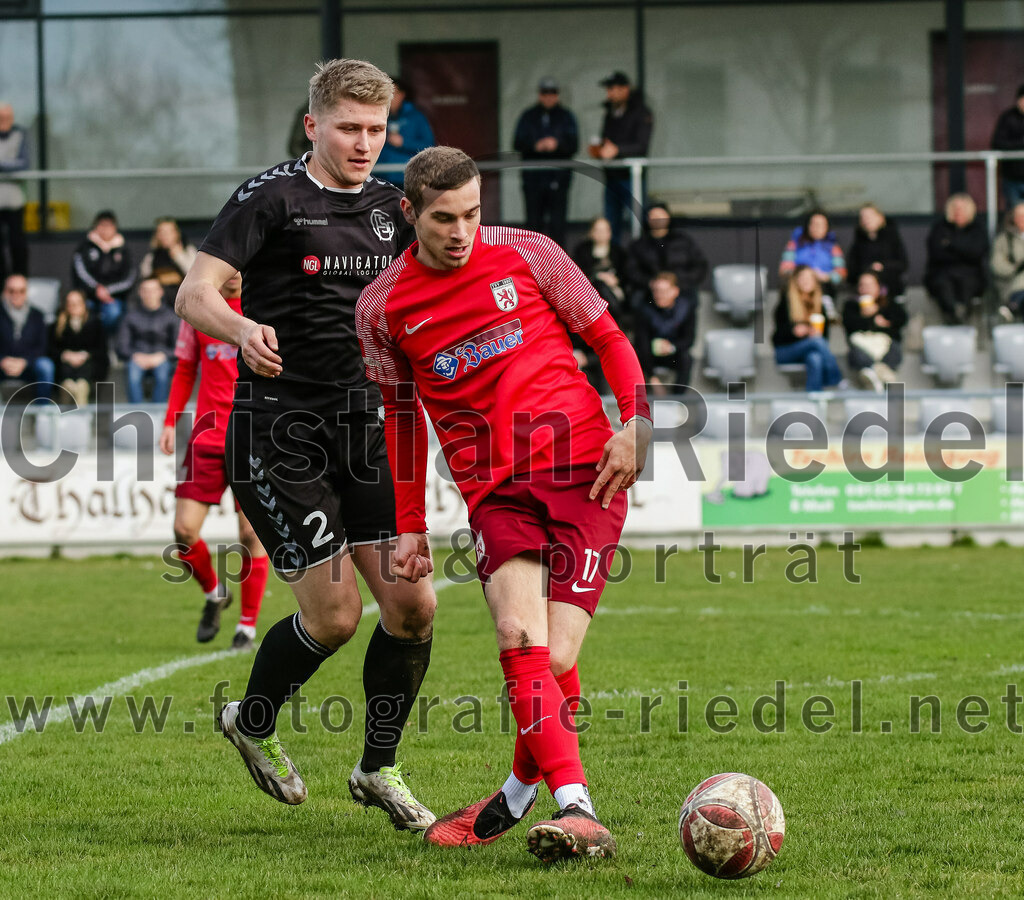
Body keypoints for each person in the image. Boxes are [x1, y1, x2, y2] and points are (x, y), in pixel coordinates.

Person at [356, 146, 652, 863]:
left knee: (556, 658)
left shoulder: (531, 252)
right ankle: (577, 808)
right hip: (494, 495)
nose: (462, 232)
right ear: (410, 213)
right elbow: (401, 420)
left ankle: (517, 794)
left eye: (472, 214)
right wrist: (408, 525)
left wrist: (637, 423)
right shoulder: (381, 309)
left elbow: (607, 338)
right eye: (444, 219)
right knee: (520, 639)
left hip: (585, 474)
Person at [174, 58, 437, 830]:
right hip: (280, 434)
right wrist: (240, 327)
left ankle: (378, 768)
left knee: (413, 606)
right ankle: (251, 721)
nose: (364, 143)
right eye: (349, 128)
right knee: (335, 617)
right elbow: (194, 293)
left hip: (369, 431)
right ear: (313, 125)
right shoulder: (271, 198)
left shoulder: (395, 209)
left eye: (376, 129)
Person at [160, 272, 269, 652]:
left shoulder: (262, 305)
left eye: (241, 265)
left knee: (251, 535)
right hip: (207, 435)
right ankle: (215, 592)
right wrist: (171, 421)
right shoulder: (198, 308)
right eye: (229, 265)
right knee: (184, 531)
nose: (236, 272)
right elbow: (185, 368)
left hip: (252, 436)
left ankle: (246, 628)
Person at [513, 78, 579, 248]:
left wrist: (557, 144)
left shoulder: (566, 117)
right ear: (539, 95)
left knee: (558, 226)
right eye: (545, 93)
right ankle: (532, 261)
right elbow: (517, 143)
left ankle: (559, 262)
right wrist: (535, 146)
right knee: (533, 226)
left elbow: (574, 144)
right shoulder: (528, 116)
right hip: (533, 180)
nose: (549, 97)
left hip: (558, 179)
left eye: (552, 93)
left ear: (557, 95)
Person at [593, 72, 653, 243]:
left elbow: (641, 146)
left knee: (638, 223)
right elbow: (606, 140)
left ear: (625, 89)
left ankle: (641, 257)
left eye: (612, 89)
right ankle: (613, 258)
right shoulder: (610, 112)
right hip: (611, 176)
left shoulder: (641, 112)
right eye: (608, 89)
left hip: (631, 177)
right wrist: (600, 150)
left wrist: (617, 150)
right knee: (611, 225)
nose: (609, 94)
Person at [624, 202, 708, 313]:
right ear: (648, 220)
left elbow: (700, 266)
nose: (657, 220)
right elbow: (631, 270)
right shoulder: (639, 245)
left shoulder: (683, 241)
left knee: (689, 302)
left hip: (682, 288)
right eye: (653, 216)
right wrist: (651, 282)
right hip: (649, 292)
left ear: (668, 217)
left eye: (660, 216)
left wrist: (678, 281)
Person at [772, 265, 845, 393]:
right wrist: (793, 331)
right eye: (803, 278)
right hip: (786, 350)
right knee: (816, 342)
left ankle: (814, 398)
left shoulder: (820, 305)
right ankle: (836, 379)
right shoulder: (786, 303)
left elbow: (825, 339)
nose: (806, 281)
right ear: (796, 281)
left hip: (810, 349)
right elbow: (776, 338)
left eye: (810, 278)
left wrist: (814, 333)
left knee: (815, 358)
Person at [924, 192, 989, 325]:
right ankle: (954, 314)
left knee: (967, 283)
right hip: (942, 273)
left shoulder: (977, 229)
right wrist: (964, 250)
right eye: (955, 208)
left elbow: (977, 253)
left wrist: (951, 245)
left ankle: (962, 315)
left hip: (971, 275)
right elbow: (936, 253)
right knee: (943, 285)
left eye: (962, 208)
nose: (958, 212)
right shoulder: (940, 228)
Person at [71, 210, 136, 334]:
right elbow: (80, 273)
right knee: (82, 312)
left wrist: (108, 291)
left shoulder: (124, 250)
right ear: (95, 226)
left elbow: (129, 278)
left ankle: (106, 343)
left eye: (109, 225)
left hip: (114, 298)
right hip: (88, 296)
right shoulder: (84, 247)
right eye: (101, 225)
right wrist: (97, 289)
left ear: (115, 227)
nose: (105, 229)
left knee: (113, 312)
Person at [116, 277, 178, 404]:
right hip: (137, 358)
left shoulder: (171, 317)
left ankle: (159, 412)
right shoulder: (130, 317)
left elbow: (179, 347)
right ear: (140, 293)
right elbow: (122, 346)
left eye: (153, 290)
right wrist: (135, 355)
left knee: (162, 375)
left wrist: (164, 355)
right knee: (133, 376)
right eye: (146, 290)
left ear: (160, 292)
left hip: (162, 358)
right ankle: (136, 411)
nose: (150, 294)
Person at [842, 271, 907, 392]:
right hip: (862, 348)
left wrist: (879, 315)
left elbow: (900, 321)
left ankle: (874, 376)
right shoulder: (851, 305)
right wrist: (868, 317)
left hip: (887, 348)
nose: (866, 288)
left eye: (870, 285)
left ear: (878, 286)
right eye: (862, 285)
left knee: (894, 350)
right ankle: (880, 375)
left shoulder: (889, 303)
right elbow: (850, 327)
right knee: (857, 353)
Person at [635, 271, 697, 394]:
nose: (659, 295)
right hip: (649, 356)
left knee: (686, 358)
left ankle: (678, 398)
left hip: (673, 354)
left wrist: (671, 347)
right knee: (636, 354)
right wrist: (653, 379)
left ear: (675, 291)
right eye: (656, 291)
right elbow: (642, 344)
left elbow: (689, 339)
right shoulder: (645, 310)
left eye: (664, 291)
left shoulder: (686, 309)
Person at [49, 288, 108, 406]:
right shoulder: (57, 325)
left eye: (77, 303)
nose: (73, 307)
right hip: (64, 370)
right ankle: (65, 407)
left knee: (82, 384)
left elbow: (102, 350)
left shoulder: (95, 324)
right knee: (67, 384)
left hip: (87, 369)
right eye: (70, 303)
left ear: (84, 304)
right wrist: (65, 355)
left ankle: (82, 410)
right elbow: (50, 349)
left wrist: (85, 355)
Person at [778, 209, 846, 310]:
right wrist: (803, 275)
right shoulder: (795, 244)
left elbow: (841, 273)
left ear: (827, 227)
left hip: (824, 288)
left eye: (821, 225)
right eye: (814, 224)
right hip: (798, 289)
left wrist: (826, 276)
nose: (817, 228)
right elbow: (784, 270)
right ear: (808, 226)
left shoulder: (833, 247)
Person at [0, 273, 53, 401]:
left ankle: (42, 409)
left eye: (21, 291)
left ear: (26, 292)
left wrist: (25, 362)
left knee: (45, 366)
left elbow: (42, 347)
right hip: (3, 365)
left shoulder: (37, 315)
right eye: (11, 291)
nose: (16, 294)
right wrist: (2, 360)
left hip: (28, 365)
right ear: (4, 292)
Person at [377, 77, 434, 187]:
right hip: (379, 179)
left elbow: (429, 146)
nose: (389, 98)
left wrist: (404, 142)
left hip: (408, 179)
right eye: (385, 94)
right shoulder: (375, 115)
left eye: (393, 93)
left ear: (402, 95)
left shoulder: (416, 117)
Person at [845, 203, 908, 300]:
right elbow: (852, 271)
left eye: (870, 216)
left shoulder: (892, 238)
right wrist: (869, 269)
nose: (866, 220)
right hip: (864, 292)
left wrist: (882, 266)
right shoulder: (858, 242)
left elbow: (903, 264)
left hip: (891, 287)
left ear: (881, 218)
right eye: (863, 217)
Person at [0, 103, 30, 285]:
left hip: (14, 200)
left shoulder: (20, 135)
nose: (4, 121)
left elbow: (24, 164)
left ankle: (20, 280)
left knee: (17, 243)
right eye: (1, 117)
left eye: (7, 117)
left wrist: (2, 165)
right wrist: (9, 165)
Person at [140, 217, 198, 295]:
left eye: (168, 232)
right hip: (162, 299)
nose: (164, 236)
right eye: (160, 232)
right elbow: (145, 277)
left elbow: (195, 276)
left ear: (176, 233)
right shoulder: (153, 255)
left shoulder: (188, 250)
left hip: (183, 296)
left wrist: (179, 256)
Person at [991, 84, 1024, 209]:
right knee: (1013, 212)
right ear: (1018, 100)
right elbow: (997, 143)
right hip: (1012, 177)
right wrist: (1021, 144)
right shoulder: (1008, 117)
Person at [991, 201, 1024, 323]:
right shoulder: (1004, 239)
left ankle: (1013, 307)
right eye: (1019, 216)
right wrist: (1016, 268)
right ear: (1013, 218)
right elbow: (997, 265)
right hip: (1012, 285)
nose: (1022, 219)